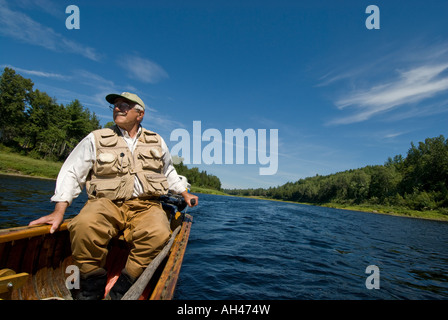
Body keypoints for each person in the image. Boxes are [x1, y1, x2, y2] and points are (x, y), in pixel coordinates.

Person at [29, 92, 198, 300]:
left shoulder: (157, 141)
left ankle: (123, 286)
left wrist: (183, 192)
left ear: (140, 114)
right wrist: (59, 210)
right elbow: (72, 172)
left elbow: (168, 172)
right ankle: (92, 286)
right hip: (105, 203)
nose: (118, 108)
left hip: (146, 205)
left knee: (158, 234)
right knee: (84, 226)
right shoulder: (96, 138)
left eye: (125, 105)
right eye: (116, 105)